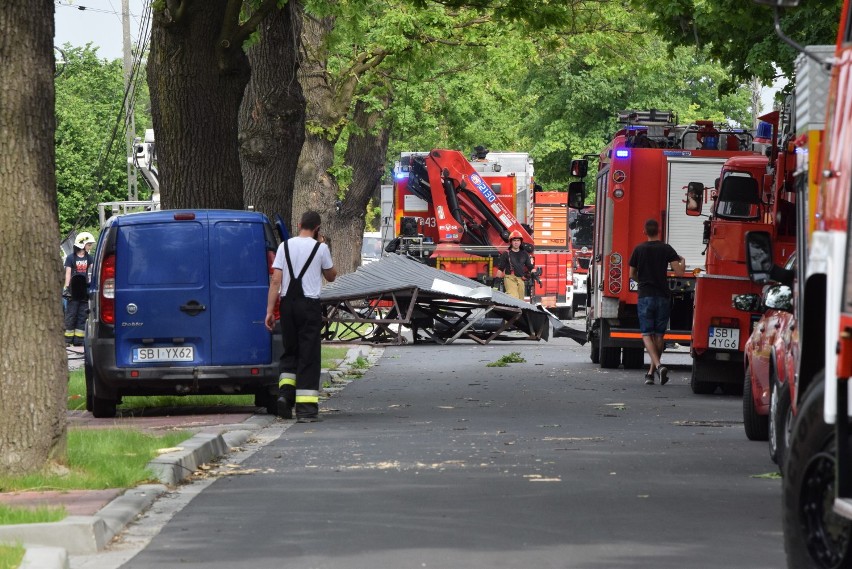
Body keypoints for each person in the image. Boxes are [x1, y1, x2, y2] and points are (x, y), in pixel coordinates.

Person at [265, 211, 336, 422]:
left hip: (287, 305)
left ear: (299, 224)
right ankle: (306, 409)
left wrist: (270, 310)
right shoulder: (320, 248)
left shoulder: (283, 247)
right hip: (309, 305)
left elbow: (276, 281)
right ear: (317, 229)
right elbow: (331, 276)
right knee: (309, 355)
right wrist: (322, 244)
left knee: (290, 352)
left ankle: (285, 398)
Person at [628, 219, 685, 385]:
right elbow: (680, 272)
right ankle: (652, 373)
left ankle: (658, 366)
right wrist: (682, 260)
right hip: (662, 296)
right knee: (659, 335)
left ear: (645, 231)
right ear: (658, 231)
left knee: (647, 334)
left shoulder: (638, 249)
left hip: (645, 295)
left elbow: (632, 274)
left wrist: (642, 282)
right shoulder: (666, 249)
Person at [63, 232, 95, 346]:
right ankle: (67, 340)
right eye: (89, 244)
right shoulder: (71, 258)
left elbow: (93, 272)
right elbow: (68, 273)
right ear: (82, 244)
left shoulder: (90, 258)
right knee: (71, 314)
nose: (90, 247)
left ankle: (79, 340)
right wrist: (67, 288)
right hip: (73, 289)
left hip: (84, 290)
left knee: (82, 315)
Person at [495, 230, 533, 300]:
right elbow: (500, 269)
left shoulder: (524, 254)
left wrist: (534, 271)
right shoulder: (506, 254)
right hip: (510, 279)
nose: (516, 242)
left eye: (518, 240)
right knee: (513, 298)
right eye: (514, 240)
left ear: (520, 242)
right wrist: (496, 284)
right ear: (511, 242)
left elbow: (529, 266)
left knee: (521, 301)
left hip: (521, 280)